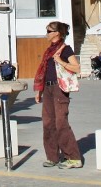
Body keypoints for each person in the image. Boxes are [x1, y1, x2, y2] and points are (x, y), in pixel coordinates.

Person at [33, 21, 83, 169]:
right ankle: (52, 157)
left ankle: (73, 158)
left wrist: (61, 61)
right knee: (48, 123)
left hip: (59, 89)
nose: (46, 33)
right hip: (47, 89)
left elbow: (77, 68)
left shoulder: (65, 49)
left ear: (57, 33)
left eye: (49, 31)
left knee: (61, 123)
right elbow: (45, 72)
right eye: (47, 30)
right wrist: (39, 91)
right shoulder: (49, 50)